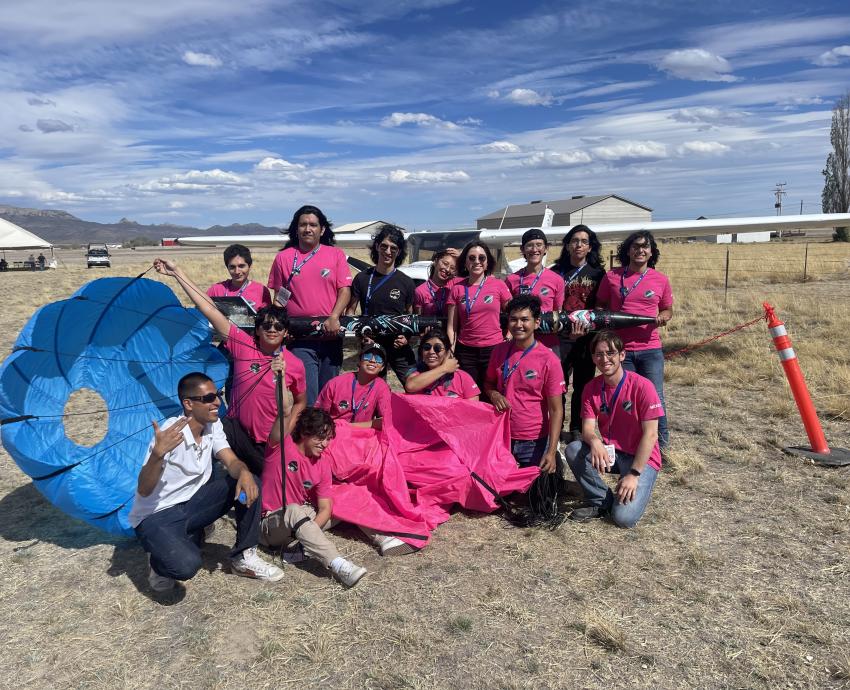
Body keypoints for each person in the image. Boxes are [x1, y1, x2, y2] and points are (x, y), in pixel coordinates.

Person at [129, 372, 284, 592]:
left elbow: (230, 460)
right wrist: (157, 455)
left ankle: (243, 557)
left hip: (192, 505)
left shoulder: (213, 425)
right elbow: (144, 490)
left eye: (218, 395)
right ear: (188, 404)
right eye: (209, 398)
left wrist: (244, 473)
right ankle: (158, 561)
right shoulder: (170, 434)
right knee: (186, 566)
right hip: (157, 516)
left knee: (250, 482)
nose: (217, 402)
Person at [154, 257, 307, 475]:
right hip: (234, 432)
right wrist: (177, 271)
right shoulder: (242, 345)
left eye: (278, 326)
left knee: (266, 485)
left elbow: (301, 401)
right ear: (257, 330)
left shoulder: (295, 364)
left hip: (268, 441)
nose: (272, 330)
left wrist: (286, 428)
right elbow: (209, 309)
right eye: (266, 325)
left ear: (286, 332)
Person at [564, 331, 663, 527]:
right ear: (593, 358)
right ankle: (601, 499)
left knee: (623, 519)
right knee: (573, 449)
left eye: (610, 353)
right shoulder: (591, 388)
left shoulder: (643, 386)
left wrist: (633, 475)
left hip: (641, 459)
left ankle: (635, 484)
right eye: (599, 354)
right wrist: (594, 441)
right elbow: (588, 429)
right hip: (614, 453)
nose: (604, 359)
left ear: (622, 355)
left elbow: (651, 435)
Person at [260, 407, 367, 587]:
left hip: (296, 522)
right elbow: (284, 413)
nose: (325, 444)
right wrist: (286, 402)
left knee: (337, 504)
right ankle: (338, 564)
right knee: (293, 510)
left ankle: (298, 547)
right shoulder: (281, 448)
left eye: (328, 439)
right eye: (320, 437)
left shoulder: (323, 462)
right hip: (269, 523)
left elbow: (325, 508)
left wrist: (307, 531)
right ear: (304, 432)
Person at [267, 205, 352, 405]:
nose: (308, 229)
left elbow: (345, 290)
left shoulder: (335, 254)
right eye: (303, 224)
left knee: (329, 392)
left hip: (330, 335)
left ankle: (325, 433)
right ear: (296, 229)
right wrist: (279, 329)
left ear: (322, 230)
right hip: (300, 338)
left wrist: (334, 317)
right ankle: (308, 433)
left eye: (313, 225)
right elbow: (279, 298)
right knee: (308, 394)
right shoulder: (283, 258)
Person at [595, 231, 673, 448]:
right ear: (628, 250)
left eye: (645, 247)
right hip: (620, 352)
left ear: (651, 252)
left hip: (650, 350)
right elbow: (600, 306)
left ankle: (661, 446)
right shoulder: (611, 277)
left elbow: (667, 309)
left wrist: (663, 318)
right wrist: (605, 326)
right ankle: (627, 443)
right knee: (624, 397)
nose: (641, 250)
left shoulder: (660, 279)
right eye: (636, 246)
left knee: (655, 398)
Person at [484, 295, 565, 471]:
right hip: (502, 435)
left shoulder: (549, 359)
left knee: (533, 495)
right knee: (501, 494)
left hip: (533, 440)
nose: (518, 325)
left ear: (536, 323)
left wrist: (551, 452)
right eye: (513, 319)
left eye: (524, 320)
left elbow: (556, 410)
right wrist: (494, 394)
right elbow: (488, 383)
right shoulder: (499, 351)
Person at [552, 224, 607, 442]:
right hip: (560, 338)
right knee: (559, 385)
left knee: (583, 385)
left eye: (584, 241)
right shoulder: (555, 272)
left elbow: (602, 304)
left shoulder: (598, 274)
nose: (579, 245)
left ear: (590, 246)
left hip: (587, 338)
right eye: (574, 240)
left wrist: (589, 326)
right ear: (567, 245)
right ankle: (555, 426)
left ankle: (577, 428)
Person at [348, 224, 417, 385]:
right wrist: (360, 334)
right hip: (372, 345)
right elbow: (350, 310)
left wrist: (405, 337)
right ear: (377, 246)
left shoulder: (406, 282)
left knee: (415, 385)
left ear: (399, 251)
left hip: (398, 344)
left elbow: (410, 315)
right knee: (372, 391)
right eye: (384, 246)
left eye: (393, 248)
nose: (388, 251)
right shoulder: (362, 278)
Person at [446, 241, 511, 393]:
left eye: (482, 258)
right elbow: (451, 327)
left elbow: (514, 314)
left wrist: (508, 336)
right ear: (465, 263)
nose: (477, 261)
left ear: (487, 263)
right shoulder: (457, 289)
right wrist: (451, 350)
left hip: (494, 349)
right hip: (466, 351)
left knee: (493, 393)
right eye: (472, 258)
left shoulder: (498, 285)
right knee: (471, 394)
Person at [504, 229, 565, 355]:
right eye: (529, 245)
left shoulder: (557, 280)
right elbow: (508, 313)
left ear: (546, 248)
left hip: (548, 344)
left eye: (539, 245)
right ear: (522, 249)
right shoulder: (511, 280)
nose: (534, 249)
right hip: (519, 344)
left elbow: (557, 313)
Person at [316, 341, 392, 428]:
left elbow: (385, 421)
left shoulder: (382, 387)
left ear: (382, 367)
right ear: (359, 361)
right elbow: (318, 417)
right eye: (368, 356)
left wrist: (349, 426)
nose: (372, 360)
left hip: (361, 435)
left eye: (378, 359)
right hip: (333, 431)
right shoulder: (336, 383)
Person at [404, 330, 479, 400]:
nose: (431, 352)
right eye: (427, 347)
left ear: (447, 352)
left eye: (438, 348)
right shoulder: (417, 373)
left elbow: (473, 408)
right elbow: (410, 386)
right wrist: (444, 368)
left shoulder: (462, 377)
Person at [207, 244, 271, 311]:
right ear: (227, 267)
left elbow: (267, 319)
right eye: (232, 267)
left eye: (241, 266)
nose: (237, 271)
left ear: (250, 266)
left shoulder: (261, 291)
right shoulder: (216, 290)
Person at [413, 249, 458, 317]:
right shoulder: (420, 291)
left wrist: (461, 256)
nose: (448, 269)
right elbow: (418, 321)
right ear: (436, 261)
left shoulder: (456, 286)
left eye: (452, 268)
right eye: (445, 264)